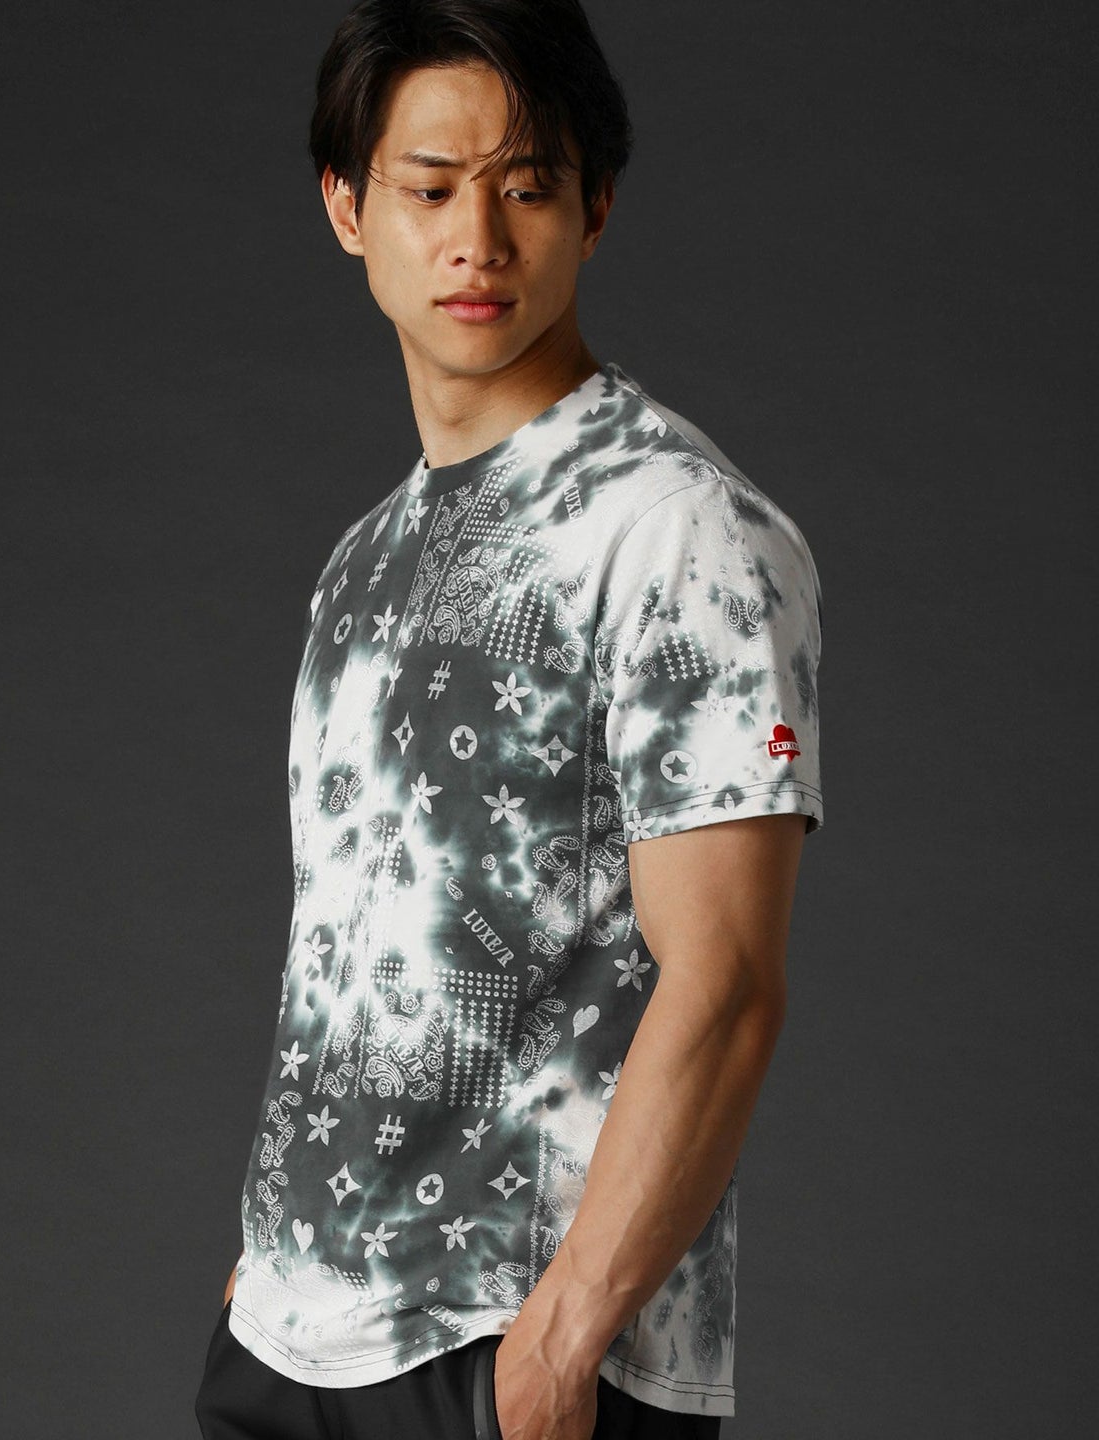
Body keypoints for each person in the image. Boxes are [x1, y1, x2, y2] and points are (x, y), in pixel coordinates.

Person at [194, 1, 823, 1436]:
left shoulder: (676, 533)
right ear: (346, 208)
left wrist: (559, 1343)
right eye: (428, 189)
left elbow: (726, 983)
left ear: (594, 209)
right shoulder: (363, 561)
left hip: (514, 1351)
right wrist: (269, 1264)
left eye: (526, 186)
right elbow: (350, 942)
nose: (475, 238)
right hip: (291, 1338)